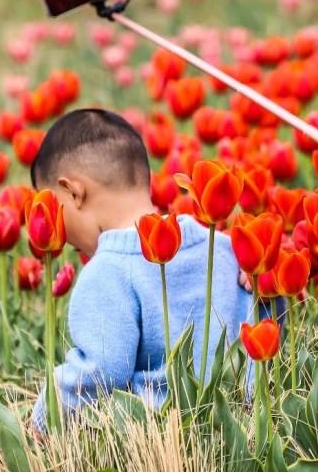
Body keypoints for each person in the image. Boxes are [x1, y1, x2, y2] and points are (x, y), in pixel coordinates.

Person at [28, 108, 253, 431]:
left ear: (73, 192)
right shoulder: (226, 250)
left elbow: (102, 369)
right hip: (243, 432)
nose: (53, 225)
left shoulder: (107, 271)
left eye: (51, 206)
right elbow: (265, 317)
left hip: (167, 437)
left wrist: (42, 420)